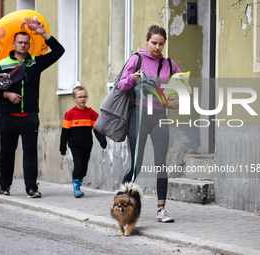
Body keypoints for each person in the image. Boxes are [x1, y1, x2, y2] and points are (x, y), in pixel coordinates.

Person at [0, 20, 65, 198]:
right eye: (20, 42)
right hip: (8, 116)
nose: (23, 45)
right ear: (13, 44)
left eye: (26, 43)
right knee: (7, 152)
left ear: (30, 45)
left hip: (29, 115)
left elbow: (59, 51)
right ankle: (5, 186)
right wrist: (6, 95)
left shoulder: (35, 63)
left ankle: (31, 188)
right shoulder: (2, 64)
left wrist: (44, 34)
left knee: (30, 153)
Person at [118, 24, 180, 222]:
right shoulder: (137, 59)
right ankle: (122, 205)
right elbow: (121, 84)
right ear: (147, 41)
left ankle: (161, 210)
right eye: (154, 43)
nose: (157, 47)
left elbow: (181, 88)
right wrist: (133, 79)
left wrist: (178, 100)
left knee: (161, 163)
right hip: (139, 115)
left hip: (159, 115)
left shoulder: (169, 65)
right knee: (136, 164)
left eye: (161, 44)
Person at [60, 86, 107, 198]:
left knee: (84, 167)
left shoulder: (91, 113)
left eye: (84, 96)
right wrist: (62, 147)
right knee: (79, 164)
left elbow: (97, 129)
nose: (82, 99)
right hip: (75, 145)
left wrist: (102, 141)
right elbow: (65, 132)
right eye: (79, 97)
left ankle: (79, 181)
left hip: (87, 145)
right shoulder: (70, 114)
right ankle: (76, 186)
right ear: (74, 99)